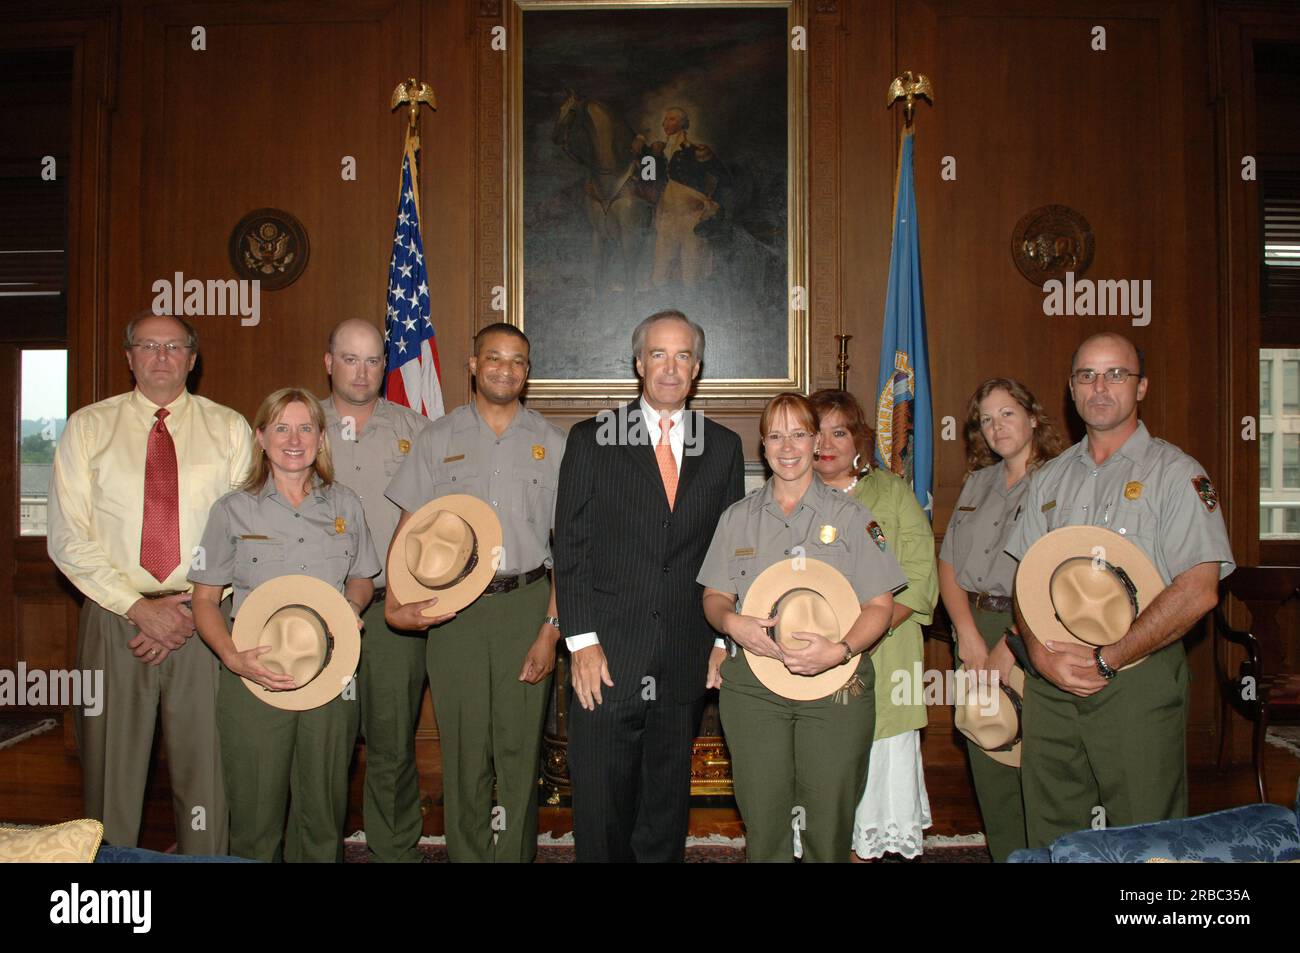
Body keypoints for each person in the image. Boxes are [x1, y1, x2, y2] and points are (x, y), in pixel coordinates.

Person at [1005, 333, 1235, 846]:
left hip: (1137, 678)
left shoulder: (1178, 475)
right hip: (1052, 681)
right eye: (1087, 375)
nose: (1100, 387)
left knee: (1145, 835)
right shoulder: (1049, 479)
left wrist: (1111, 656)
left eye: (1116, 374)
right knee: (1050, 836)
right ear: (1071, 388)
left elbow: (1199, 590)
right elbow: (1024, 581)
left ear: (1142, 386)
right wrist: (1040, 657)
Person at [47, 312, 252, 854]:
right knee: (110, 776)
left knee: (207, 773)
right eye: (147, 346)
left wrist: (189, 611)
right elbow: (68, 538)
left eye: (173, 347)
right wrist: (138, 608)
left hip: (206, 620)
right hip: (114, 619)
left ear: (192, 358)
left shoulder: (230, 428)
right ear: (128, 356)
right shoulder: (87, 427)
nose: (161, 357)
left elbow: (248, 533)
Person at [554, 309, 744, 862]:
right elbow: (570, 547)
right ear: (639, 363)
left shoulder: (724, 446)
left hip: (684, 654)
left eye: (682, 355)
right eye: (658, 354)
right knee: (602, 805)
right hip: (607, 656)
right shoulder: (592, 439)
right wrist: (581, 643)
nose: (669, 367)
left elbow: (731, 552)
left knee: (665, 807)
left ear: (697, 368)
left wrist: (719, 641)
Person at [698, 392, 907, 863]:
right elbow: (714, 597)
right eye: (775, 435)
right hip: (754, 686)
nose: (786, 446)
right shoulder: (737, 519)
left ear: (816, 442)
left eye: (798, 434)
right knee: (764, 816)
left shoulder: (853, 518)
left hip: (837, 688)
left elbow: (880, 605)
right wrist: (731, 623)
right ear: (763, 445)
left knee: (829, 820)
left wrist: (842, 649)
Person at [384, 322, 566, 863]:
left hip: (527, 606)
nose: (504, 369)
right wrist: (395, 603)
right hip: (454, 612)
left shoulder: (552, 444)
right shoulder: (437, 439)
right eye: (493, 358)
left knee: (518, 748)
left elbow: (572, 550)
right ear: (472, 363)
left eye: (517, 361)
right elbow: (409, 531)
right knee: (464, 749)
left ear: (527, 372)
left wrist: (550, 630)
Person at [188, 388, 378, 862]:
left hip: (331, 678)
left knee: (323, 815)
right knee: (255, 818)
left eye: (305, 428)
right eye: (281, 427)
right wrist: (232, 657)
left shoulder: (346, 505)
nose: (294, 439)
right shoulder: (231, 509)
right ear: (261, 437)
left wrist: (350, 610)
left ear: (320, 437)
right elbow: (205, 600)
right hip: (253, 678)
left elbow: (362, 579)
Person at [937, 378, 1065, 861]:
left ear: (1033, 417)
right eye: (986, 419)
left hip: (1036, 634)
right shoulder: (978, 482)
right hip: (975, 628)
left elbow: (1060, 579)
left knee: (1040, 768)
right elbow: (948, 564)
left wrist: (1008, 647)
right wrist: (967, 636)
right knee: (989, 757)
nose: (997, 426)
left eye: (1007, 413)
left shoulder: (1061, 480)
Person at [320, 319, 433, 863]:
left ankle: (395, 851)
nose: (361, 372)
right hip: (314, 612)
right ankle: (313, 849)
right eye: (349, 358)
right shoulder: (298, 424)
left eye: (371, 360)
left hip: (392, 612)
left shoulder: (415, 428)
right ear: (328, 362)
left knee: (391, 745)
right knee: (322, 747)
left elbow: (438, 519)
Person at [809, 389, 938, 861]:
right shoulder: (792, 496)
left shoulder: (892, 493)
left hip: (886, 656)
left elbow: (920, 576)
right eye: (815, 431)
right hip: (810, 662)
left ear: (858, 438)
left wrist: (863, 633)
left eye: (838, 432)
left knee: (874, 782)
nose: (826, 443)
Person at [637, 107, 729, 288]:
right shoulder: (656, 151)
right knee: (661, 264)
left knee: (692, 266)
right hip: (668, 214)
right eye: (665, 120)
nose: (665, 123)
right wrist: (650, 156)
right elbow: (647, 179)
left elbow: (723, 178)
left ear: (682, 123)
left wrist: (711, 207)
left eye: (671, 119)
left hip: (691, 216)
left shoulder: (696, 150)